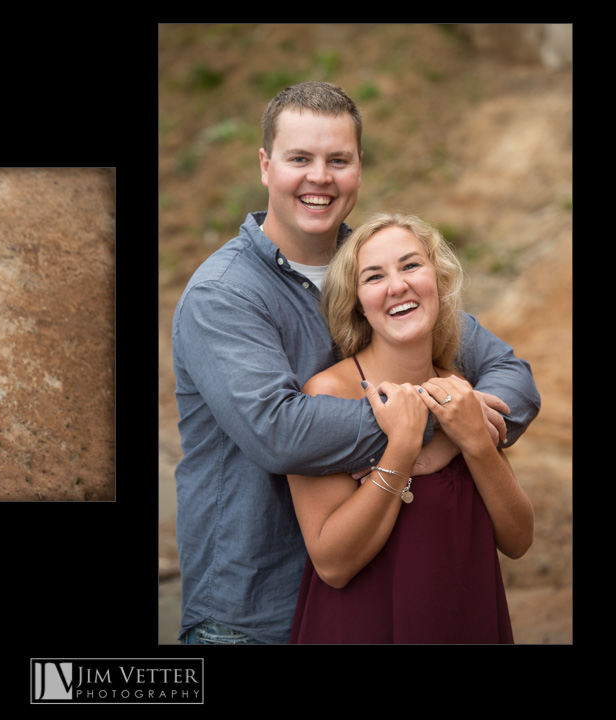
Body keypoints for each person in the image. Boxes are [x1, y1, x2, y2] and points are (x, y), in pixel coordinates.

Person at [171, 81, 540, 644]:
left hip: (385, 591)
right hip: (255, 613)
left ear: (358, 169)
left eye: (338, 159)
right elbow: (281, 434)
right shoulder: (223, 296)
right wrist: (433, 420)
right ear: (266, 166)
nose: (320, 177)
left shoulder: (380, 274)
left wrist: (470, 427)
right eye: (300, 158)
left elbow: (511, 376)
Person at [287, 212, 534, 643]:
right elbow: (333, 565)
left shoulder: (459, 391)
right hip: (364, 627)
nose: (397, 286)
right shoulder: (328, 392)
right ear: (358, 303)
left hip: (462, 619)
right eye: (374, 276)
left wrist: (474, 441)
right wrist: (401, 446)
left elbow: (518, 539)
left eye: (410, 265)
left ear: (437, 279)